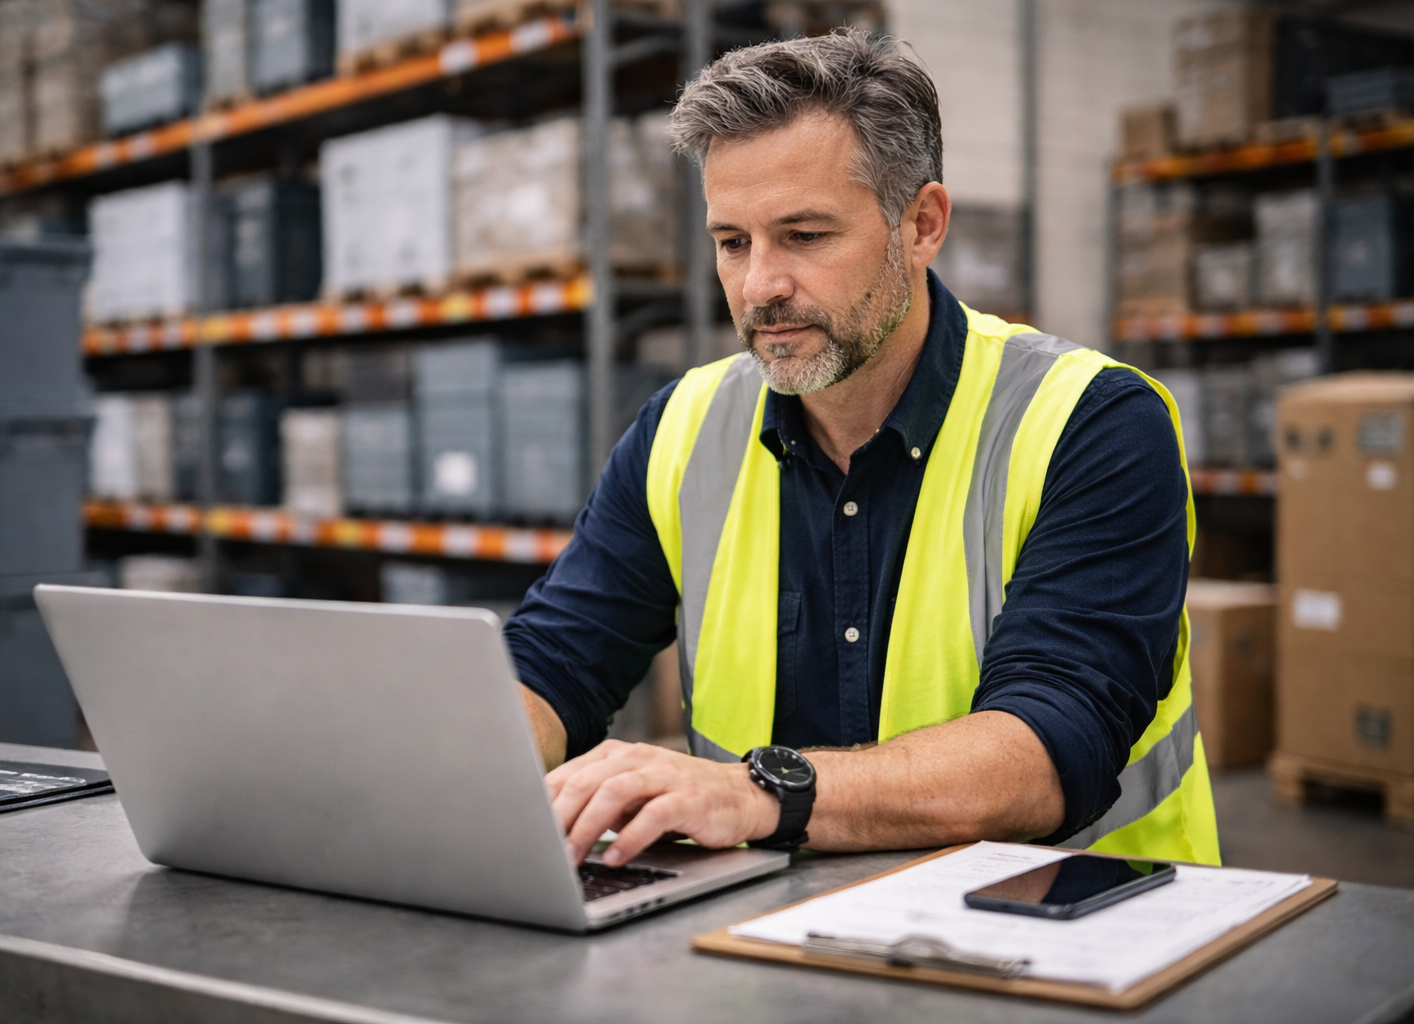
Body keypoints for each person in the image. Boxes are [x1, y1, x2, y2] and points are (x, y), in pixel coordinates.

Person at [505, 30, 1219, 872]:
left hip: (1074, 942)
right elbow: (557, 660)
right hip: (757, 949)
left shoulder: (1089, 423)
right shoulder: (684, 427)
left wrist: (755, 794)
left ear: (921, 224)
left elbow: (1051, 744)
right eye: (733, 242)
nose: (760, 285)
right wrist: (451, 755)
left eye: (803, 236)